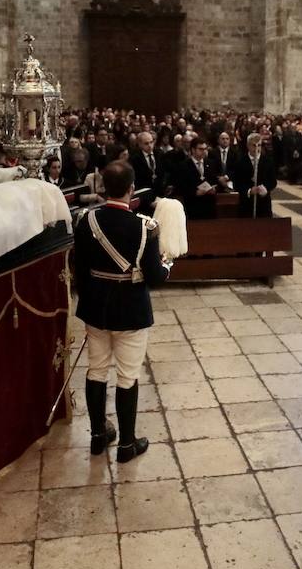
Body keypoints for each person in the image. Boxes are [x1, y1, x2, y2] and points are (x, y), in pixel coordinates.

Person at [71, 161, 171, 463]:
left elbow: (80, 268)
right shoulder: (145, 226)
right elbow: (154, 277)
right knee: (128, 374)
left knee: (97, 370)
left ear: (101, 187)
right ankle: (127, 444)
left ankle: (98, 435)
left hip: (96, 308)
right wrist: (167, 265)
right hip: (130, 309)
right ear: (131, 189)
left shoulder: (85, 220)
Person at [232, 133, 277, 217]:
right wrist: (249, 191)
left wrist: (266, 188)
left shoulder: (268, 161)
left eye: (259, 145)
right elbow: (236, 183)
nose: (257, 148)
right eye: (254, 145)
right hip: (246, 204)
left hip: (264, 204)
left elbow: (273, 181)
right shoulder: (240, 162)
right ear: (248, 146)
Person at [174, 138, 218, 220]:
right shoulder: (183, 166)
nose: (204, 151)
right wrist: (195, 192)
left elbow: (214, 180)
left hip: (209, 206)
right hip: (193, 206)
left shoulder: (211, 163)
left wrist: (214, 188)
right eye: (201, 149)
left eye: (205, 149)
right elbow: (180, 187)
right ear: (193, 150)